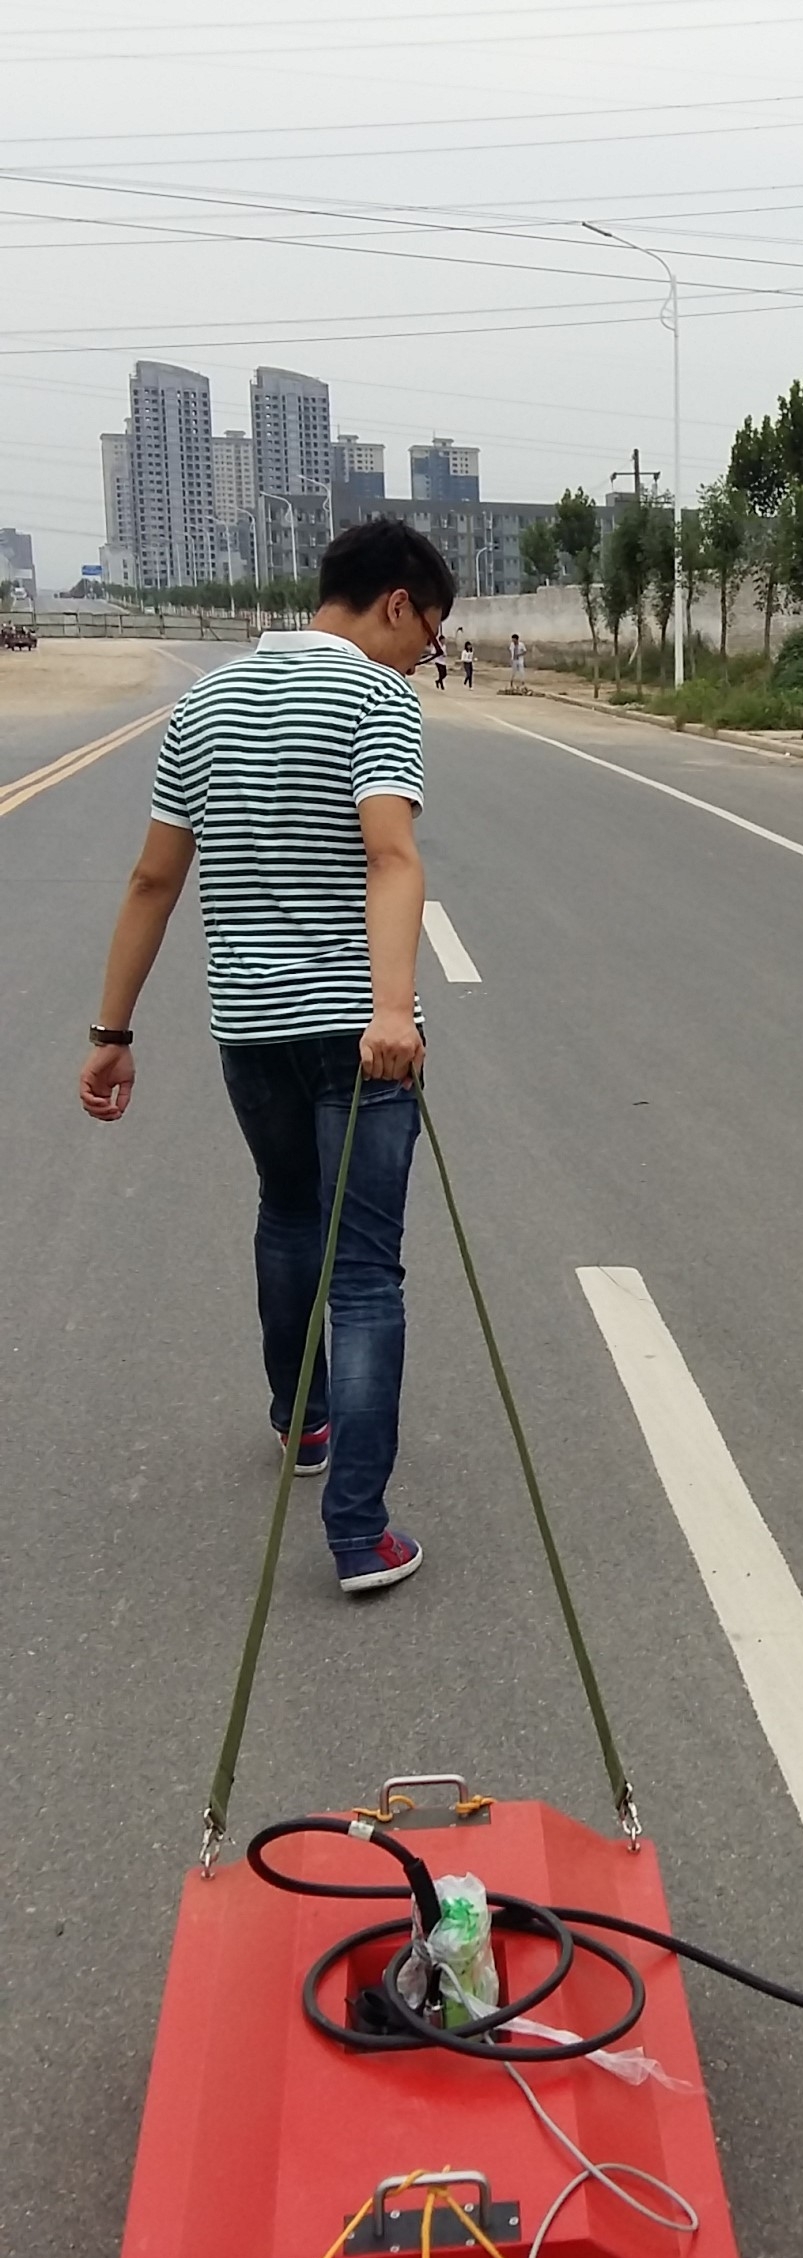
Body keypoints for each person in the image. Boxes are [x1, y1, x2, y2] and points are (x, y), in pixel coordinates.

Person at [78, 516, 457, 1597]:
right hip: (359, 1034)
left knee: (290, 1216)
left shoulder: (203, 703)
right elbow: (392, 854)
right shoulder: (374, 699)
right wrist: (391, 1009)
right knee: (369, 1270)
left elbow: (154, 881)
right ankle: (359, 1536)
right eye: (428, 633)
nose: (422, 655)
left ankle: (302, 1423)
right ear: (397, 603)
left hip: (250, 1028)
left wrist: (113, 1034)